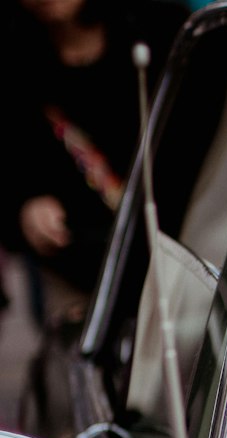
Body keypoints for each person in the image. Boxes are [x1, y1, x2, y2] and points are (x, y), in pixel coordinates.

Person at [0, 0, 188, 310]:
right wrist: (24, 210)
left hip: (181, 255)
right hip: (83, 281)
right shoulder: (13, 56)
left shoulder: (162, 29)